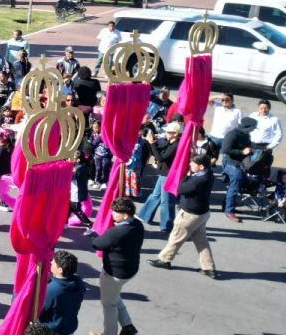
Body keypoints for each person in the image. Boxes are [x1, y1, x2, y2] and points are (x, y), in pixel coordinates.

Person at [148, 154, 218, 279]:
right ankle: (209, 268)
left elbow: (179, 189)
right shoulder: (208, 174)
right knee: (202, 242)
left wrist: (185, 176)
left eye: (192, 163)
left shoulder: (197, 181)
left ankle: (165, 260)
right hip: (202, 214)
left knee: (175, 238)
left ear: (201, 166)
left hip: (190, 215)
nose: (190, 165)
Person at [90, 198, 144, 335]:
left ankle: (109, 333)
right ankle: (127, 325)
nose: (112, 214)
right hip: (130, 269)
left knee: (108, 304)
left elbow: (97, 244)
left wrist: (94, 235)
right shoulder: (137, 224)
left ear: (125, 215)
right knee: (113, 296)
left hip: (114, 273)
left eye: (115, 212)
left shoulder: (116, 232)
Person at [137, 121, 181, 231]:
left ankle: (166, 225)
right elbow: (157, 151)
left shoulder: (175, 145)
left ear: (175, 133)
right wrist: (153, 142)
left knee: (166, 201)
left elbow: (161, 158)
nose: (165, 133)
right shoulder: (169, 142)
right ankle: (144, 215)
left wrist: (152, 143)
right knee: (155, 196)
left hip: (168, 175)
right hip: (163, 173)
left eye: (168, 132)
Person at [220, 117, 257, 223]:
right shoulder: (232, 135)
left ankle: (226, 207)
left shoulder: (245, 134)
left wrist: (256, 147)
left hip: (241, 165)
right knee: (234, 188)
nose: (253, 130)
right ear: (246, 127)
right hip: (233, 165)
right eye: (252, 128)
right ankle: (229, 212)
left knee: (233, 187)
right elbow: (225, 150)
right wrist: (242, 152)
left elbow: (248, 145)